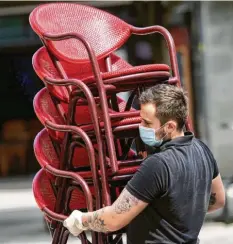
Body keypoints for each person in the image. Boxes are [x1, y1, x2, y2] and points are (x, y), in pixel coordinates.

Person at [63, 84, 225, 244]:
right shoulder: (202, 150)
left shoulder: (158, 165)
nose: (140, 127)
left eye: (147, 123)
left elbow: (114, 219)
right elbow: (218, 200)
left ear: (169, 126)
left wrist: (81, 220)